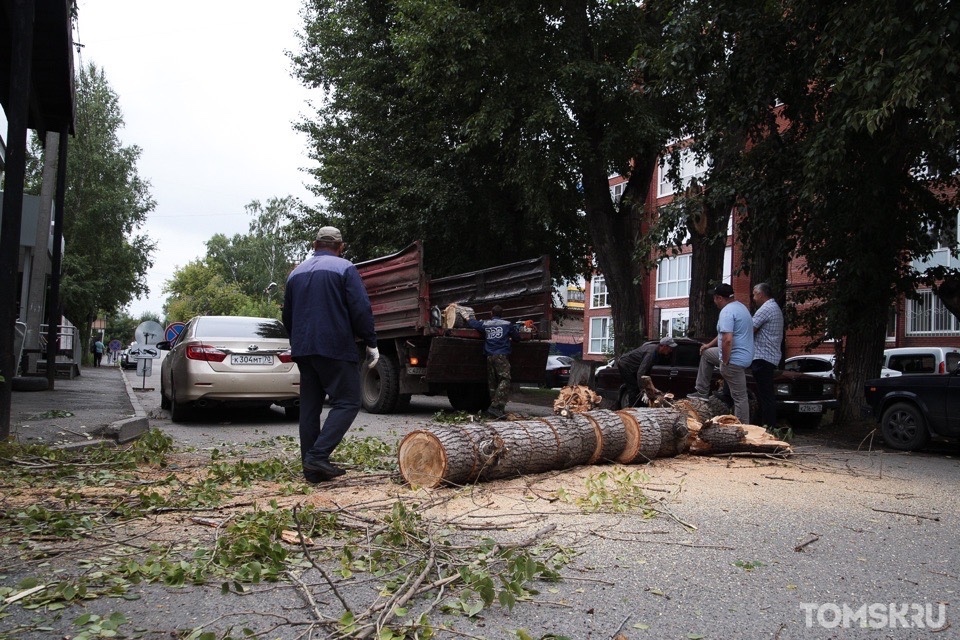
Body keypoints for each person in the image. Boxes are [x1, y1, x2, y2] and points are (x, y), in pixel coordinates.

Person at [282, 226, 379, 483]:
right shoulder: (345, 268)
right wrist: (370, 341)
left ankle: (312, 471)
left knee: (310, 407)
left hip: (303, 349)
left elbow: (287, 316)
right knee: (348, 401)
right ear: (340, 246)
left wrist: (299, 342)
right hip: (334, 346)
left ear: (314, 244)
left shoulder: (295, 274)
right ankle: (318, 455)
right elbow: (360, 308)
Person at [689, 283, 754, 424]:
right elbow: (722, 335)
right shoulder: (741, 307)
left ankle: (743, 427)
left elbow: (727, 340)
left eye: (714, 298)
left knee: (740, 397)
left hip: (733, 359)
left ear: (719, 298)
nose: (714, 302)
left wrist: (724, 361)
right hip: (743, 356)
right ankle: (702, 392)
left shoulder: (726, 312)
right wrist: (708, 345)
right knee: (706, 354)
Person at [467, 305, 519, 419]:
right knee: (505, 379)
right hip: (501, 356)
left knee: (492, 382)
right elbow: (517, 337)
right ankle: (496, 406)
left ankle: (495, 409)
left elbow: (474, 324)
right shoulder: (507, 324)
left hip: (489, 356)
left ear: (491, 313)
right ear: (502, 314)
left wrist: (468, 318)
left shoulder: (486, 324)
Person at [751, 282, 784, 429]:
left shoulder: (765, 309)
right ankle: (763, 424)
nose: (753, 298)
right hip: (770, 356)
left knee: (765, 395)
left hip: (763, 356)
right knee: (764, 394)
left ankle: (768, 426)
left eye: (754, 294)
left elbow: (750, 329)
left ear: (761, 294)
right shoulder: (774, 308)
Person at [616, 337, 678, 407]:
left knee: (639, 388)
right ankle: (632, 409)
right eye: (670, 348)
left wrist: (649, 386)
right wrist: (643, 390)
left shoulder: (657, 354)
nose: (671, 350)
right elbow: (641, 372)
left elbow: (647, 371)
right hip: (625, 365)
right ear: (664, 346)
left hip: (634, 367)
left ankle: (640, 408)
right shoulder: (651, 353)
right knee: (634, 388)